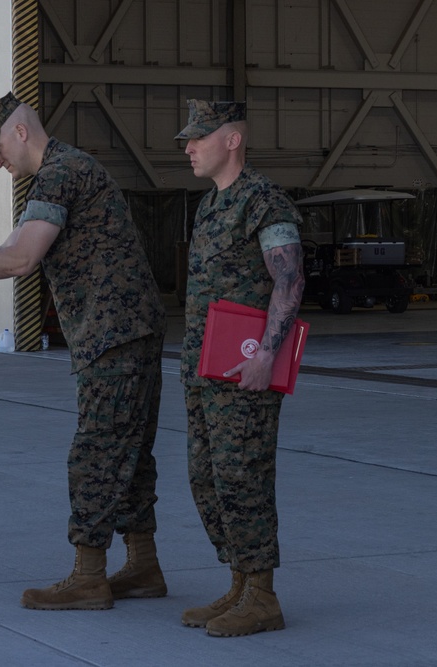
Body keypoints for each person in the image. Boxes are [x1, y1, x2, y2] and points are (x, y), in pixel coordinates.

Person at [0, 92, 167, 611]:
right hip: (128, 330)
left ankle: (89, 576)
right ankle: (142, 566)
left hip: (112, 334)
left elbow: (19, 259)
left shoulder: (60, 172)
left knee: (95, 454)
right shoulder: (67, 170)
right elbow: (13, 246)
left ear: (21, 131)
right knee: (129, 453)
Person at [176, 100, 305, 637]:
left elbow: (290, 280)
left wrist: (266, 356)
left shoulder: (262, 200)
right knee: (207, 479)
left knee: (243, 478)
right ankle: (238, 583)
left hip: (243, 370)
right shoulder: (211, 204)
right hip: (204, 370)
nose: (188, 147)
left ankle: (263, 595)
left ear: (233, 139)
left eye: (199, 138)